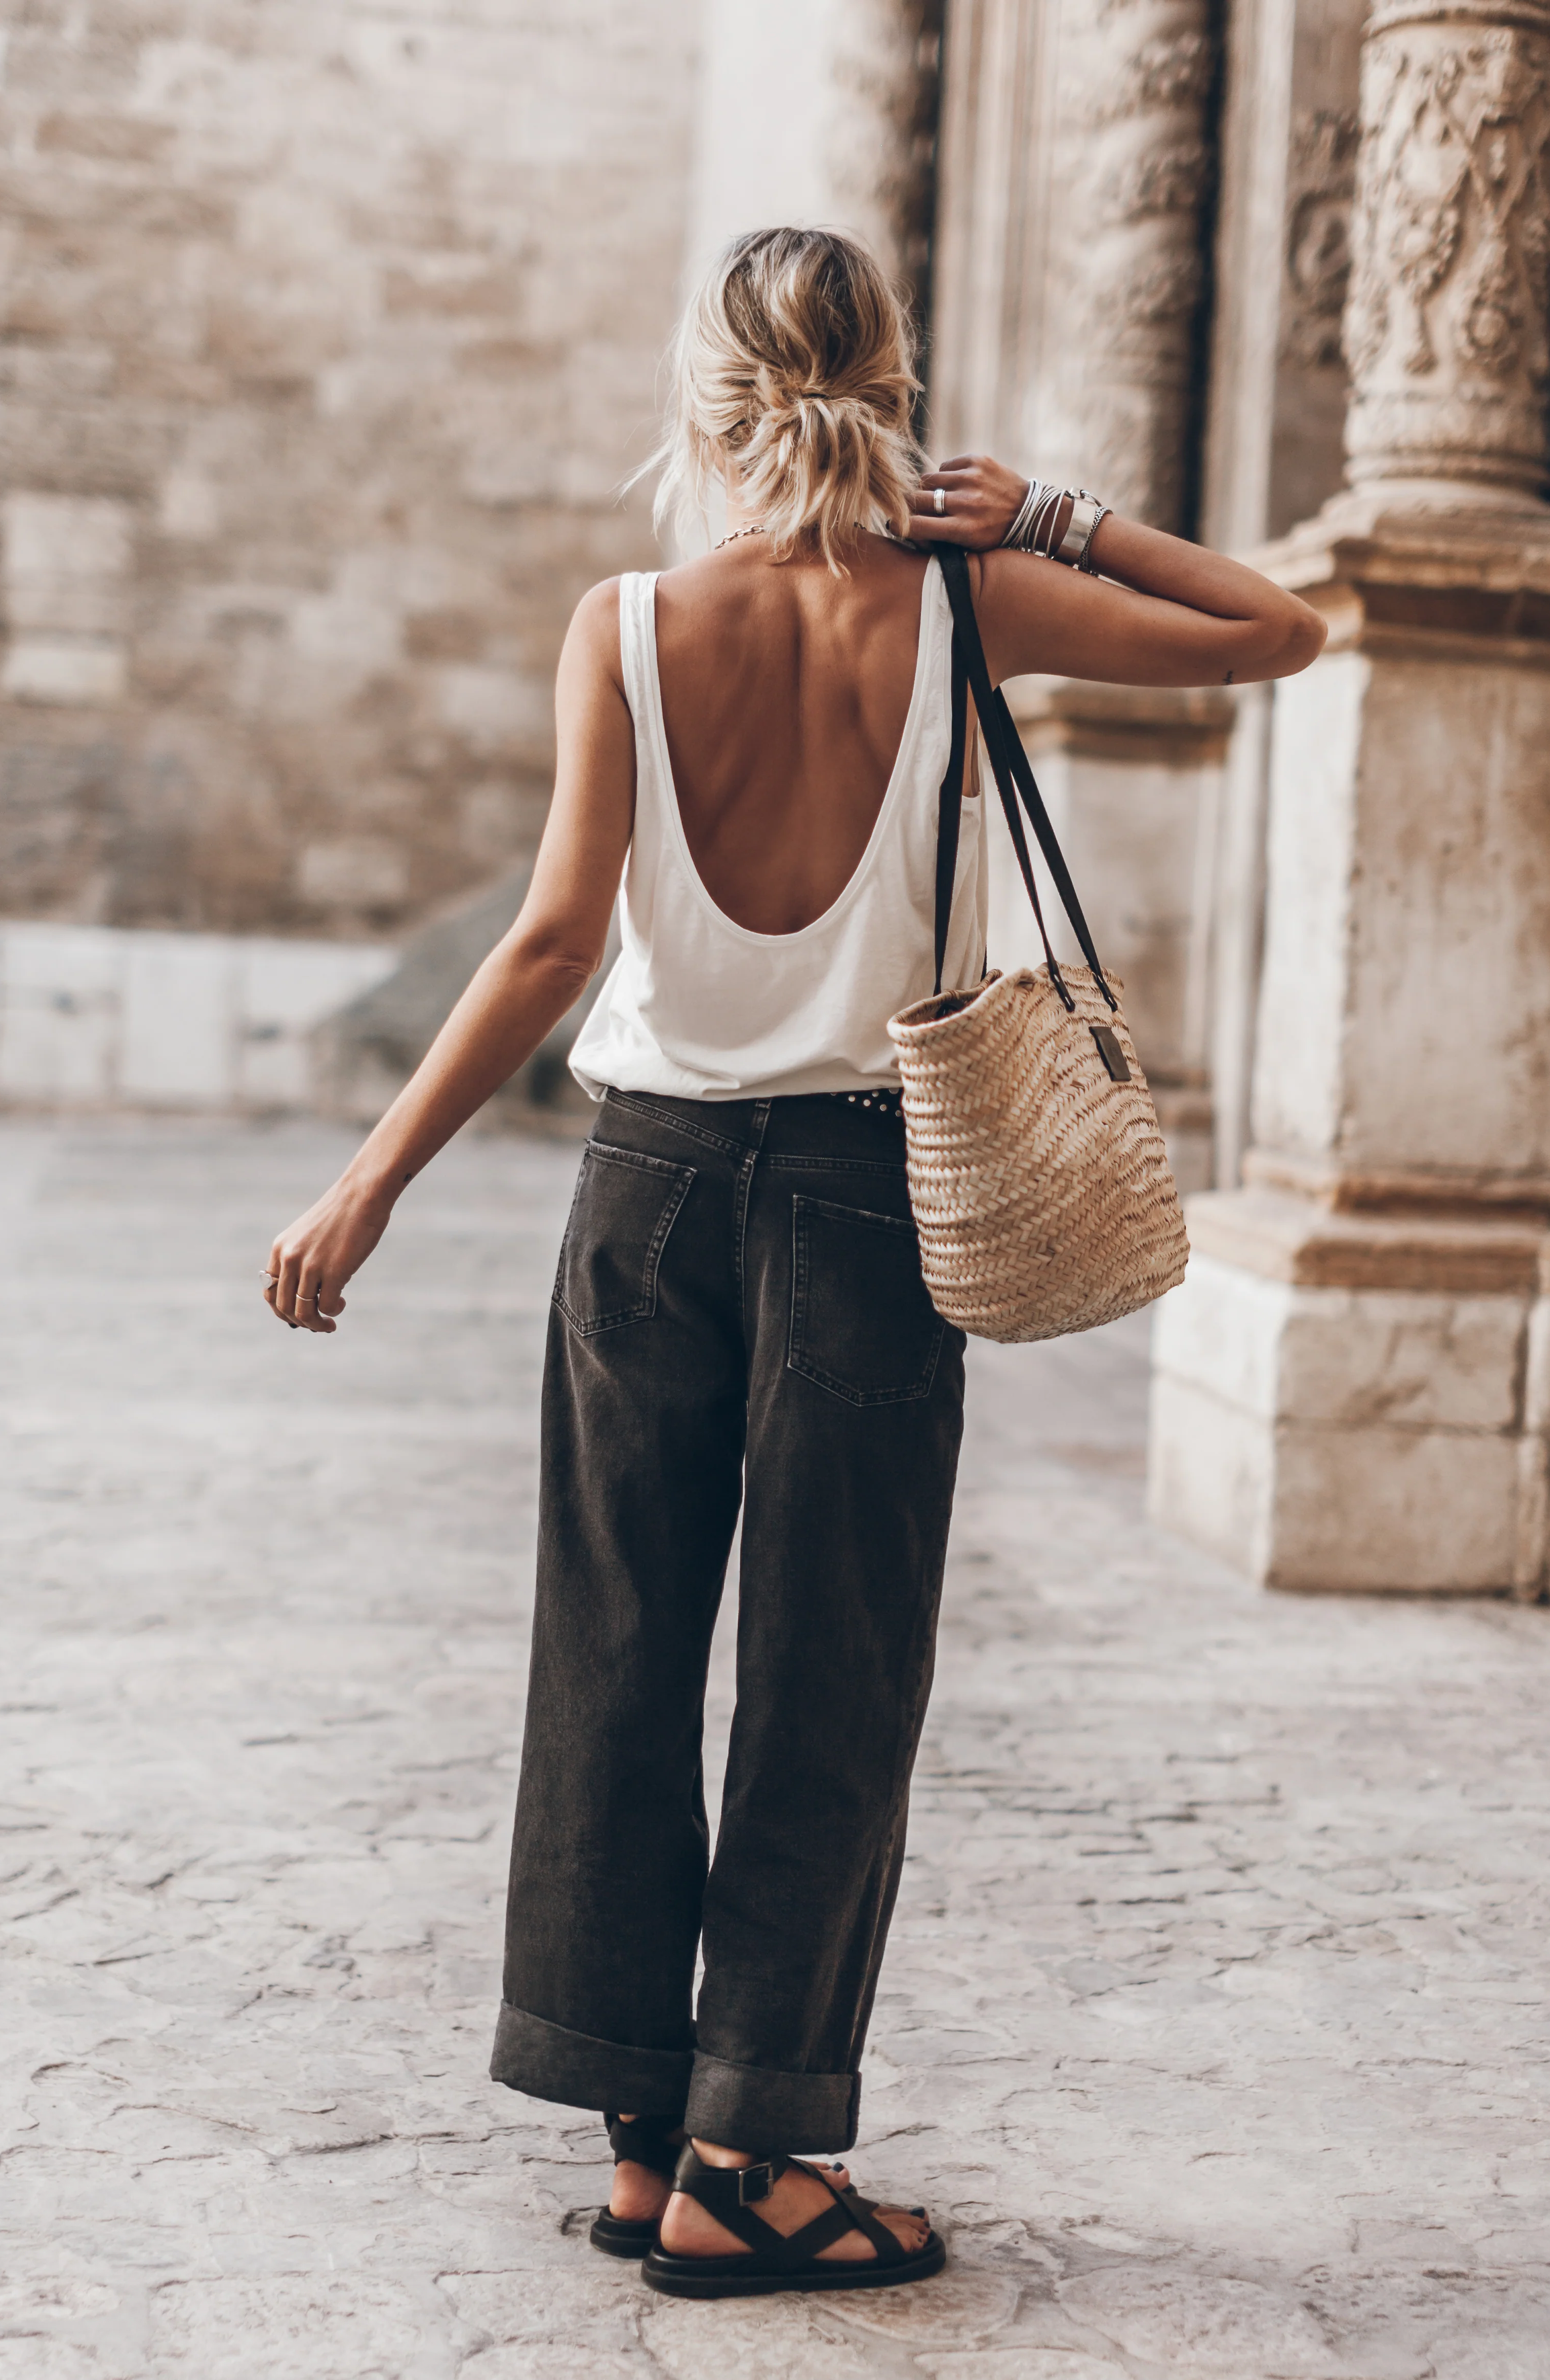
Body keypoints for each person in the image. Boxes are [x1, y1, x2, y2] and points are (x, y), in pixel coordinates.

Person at [262, 225, 1324, 2297]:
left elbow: (552, 945)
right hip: (862, 1195)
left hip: (645, 1190)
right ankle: (752, 2153)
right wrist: (1052, 512)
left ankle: (643, 2132)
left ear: (705, 400)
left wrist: (368, 1186)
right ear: (894, 384)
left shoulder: (627, 625)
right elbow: (1274, 628)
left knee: (616, 1640)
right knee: (834, 1669)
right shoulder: (969, 598)